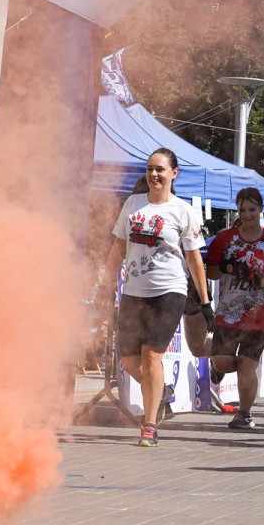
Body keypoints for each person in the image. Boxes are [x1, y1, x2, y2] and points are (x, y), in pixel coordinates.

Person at [99, 147, 213, 447]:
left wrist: (204, 302)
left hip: (169, 291)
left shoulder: (183, 211)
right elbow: (118, 248)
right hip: (134, 292)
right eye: (150, 169)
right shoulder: (133, 205)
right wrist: (106, 284)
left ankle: (149, 425)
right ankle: (161, 393)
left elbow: (194, 260)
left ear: (174, 173)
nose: (154, 174)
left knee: (152, 354)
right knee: (127, 360)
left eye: (160, 169)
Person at [206, 188, 264, 429]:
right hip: (229, 312)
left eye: (252, 210)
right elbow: (210, 272)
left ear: (261, 210)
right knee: (223, 361)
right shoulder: (225, 240)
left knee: (247, 365)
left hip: (261, 314)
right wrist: (227, 267)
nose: (247, 215)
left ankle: (244, 414)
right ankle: (217, 367)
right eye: (243, 210)